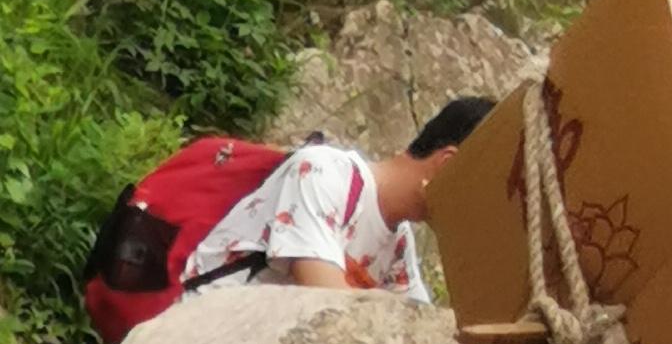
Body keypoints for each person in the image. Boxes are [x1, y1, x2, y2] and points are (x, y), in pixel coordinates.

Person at [175, 100, 494, 301]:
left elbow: (419, 325)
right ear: (448, 165)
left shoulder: (398, 242)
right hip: (209, 335)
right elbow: (326, 297)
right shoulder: (322, 172)